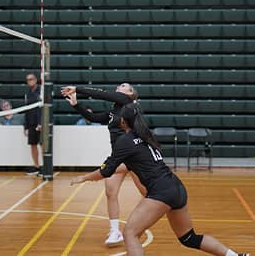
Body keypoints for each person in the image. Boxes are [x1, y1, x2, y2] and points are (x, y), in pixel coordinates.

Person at [70, 103, 249, 256]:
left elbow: (106, 171)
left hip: (161, 191)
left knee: (130, 233)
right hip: (176, 187)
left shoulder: (125, 141)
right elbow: (135, 163)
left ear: (123, 121)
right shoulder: (146, 135)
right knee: (189, 238)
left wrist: (83, 177)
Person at [62, 84, 145, 246]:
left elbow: (103, 95)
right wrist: (76, 104)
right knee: (110, 192)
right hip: (119, 157)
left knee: (149, 194)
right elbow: (93, 118)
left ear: (131, 94)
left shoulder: (127, 101)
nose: (119, 87)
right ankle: (115, 231)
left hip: (135, 156)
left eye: (124, 86)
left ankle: (139, 225)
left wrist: (77, 89)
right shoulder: (114, 112)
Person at [24, 73, 41, 176]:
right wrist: (25, 126)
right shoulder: (28, 94)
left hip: (40, 124)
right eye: (28, 80)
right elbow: (26, 110)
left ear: (35, 80)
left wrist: (41, 123)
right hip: (31, 124)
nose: (29, 81)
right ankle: (36, 167)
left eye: (31, 79)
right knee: (33, 145)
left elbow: (43, 109)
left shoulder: (41, 92)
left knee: (43, 145)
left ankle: (45, 168)